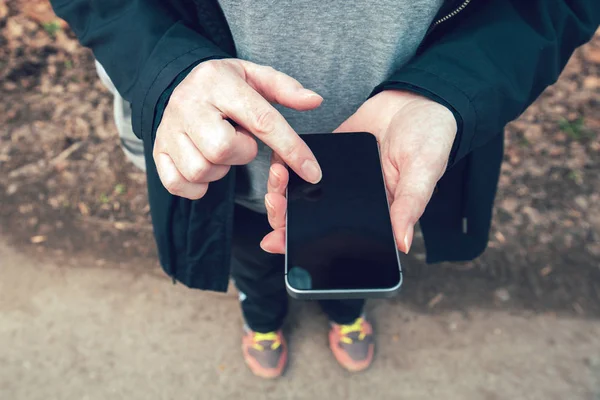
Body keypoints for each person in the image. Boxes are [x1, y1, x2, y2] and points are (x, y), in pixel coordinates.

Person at [51, 0, 599, 379]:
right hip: (233, 163)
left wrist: (449, 90)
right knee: (254, 257)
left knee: (356, 257)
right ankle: (262, 320)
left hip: (385, 163)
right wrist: (164, 68)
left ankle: (345, 311)